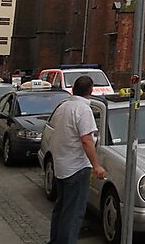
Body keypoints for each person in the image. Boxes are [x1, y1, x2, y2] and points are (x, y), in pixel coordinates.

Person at [47, 75, 106, 244]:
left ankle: (55, 241)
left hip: (61, 166)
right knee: (73, 213)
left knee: (61, 208)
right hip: (77, 167)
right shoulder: (83, 109)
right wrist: (97, 166)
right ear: (91, 90)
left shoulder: (63, 107)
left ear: (73, 89)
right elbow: (86, 140)